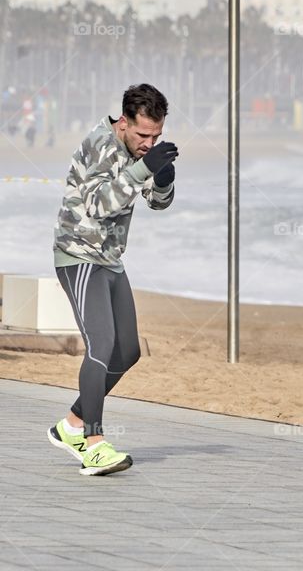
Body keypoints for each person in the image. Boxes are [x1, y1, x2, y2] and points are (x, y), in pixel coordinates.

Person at [47, 83, 178, 476]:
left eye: (156, 136)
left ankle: (70, 425)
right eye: (142, 135)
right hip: (79, 256)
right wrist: (144, 168)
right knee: (101, 345)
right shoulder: (100, 144)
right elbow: (98, 206)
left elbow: (157, 202)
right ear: (123, 122)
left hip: (110, 259)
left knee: (128, 352)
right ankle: (93, 443)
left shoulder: (141, 149)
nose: (148, 142)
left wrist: (163, 176)